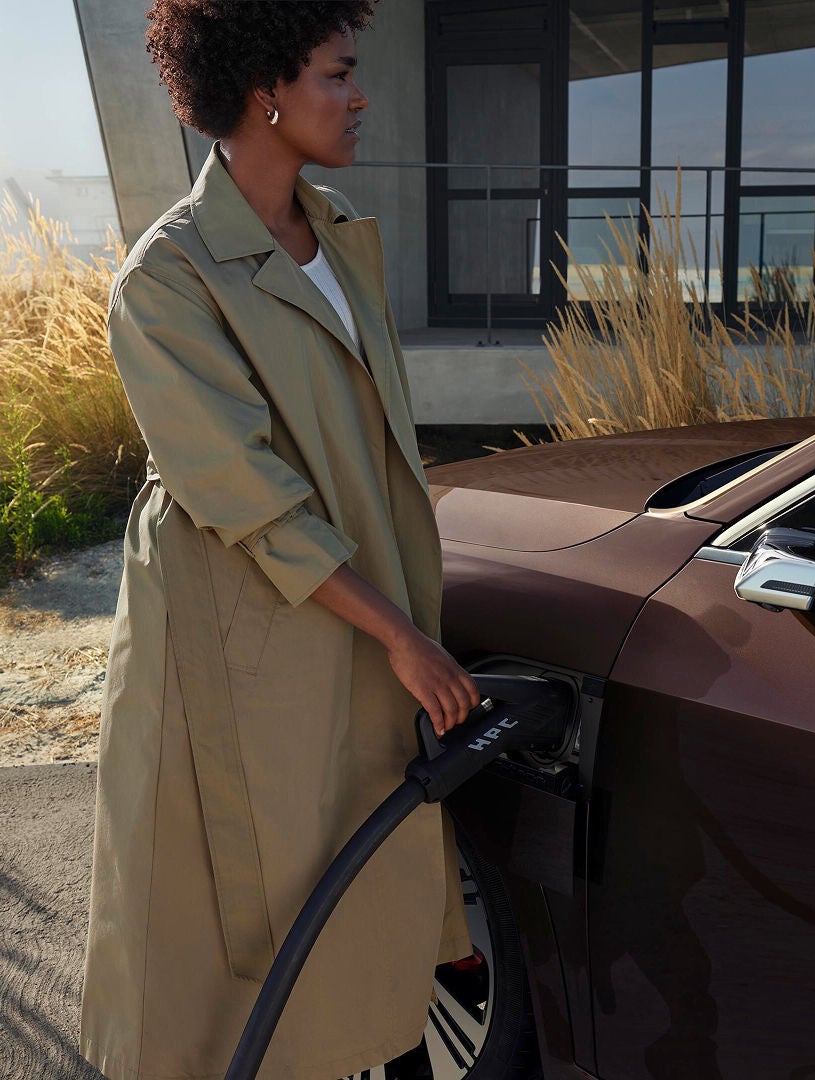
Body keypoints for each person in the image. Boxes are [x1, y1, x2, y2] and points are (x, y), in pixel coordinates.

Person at [79, 3, 481, 1078]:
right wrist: (399, 633)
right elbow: (244, 491)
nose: (359, 98)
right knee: (236, 912)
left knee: (352, 866)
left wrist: (399, 616)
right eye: (338, 75)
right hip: (230, 628)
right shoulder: (166, 279)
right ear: (265, 86)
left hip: (341, 600)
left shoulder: (339, 232)